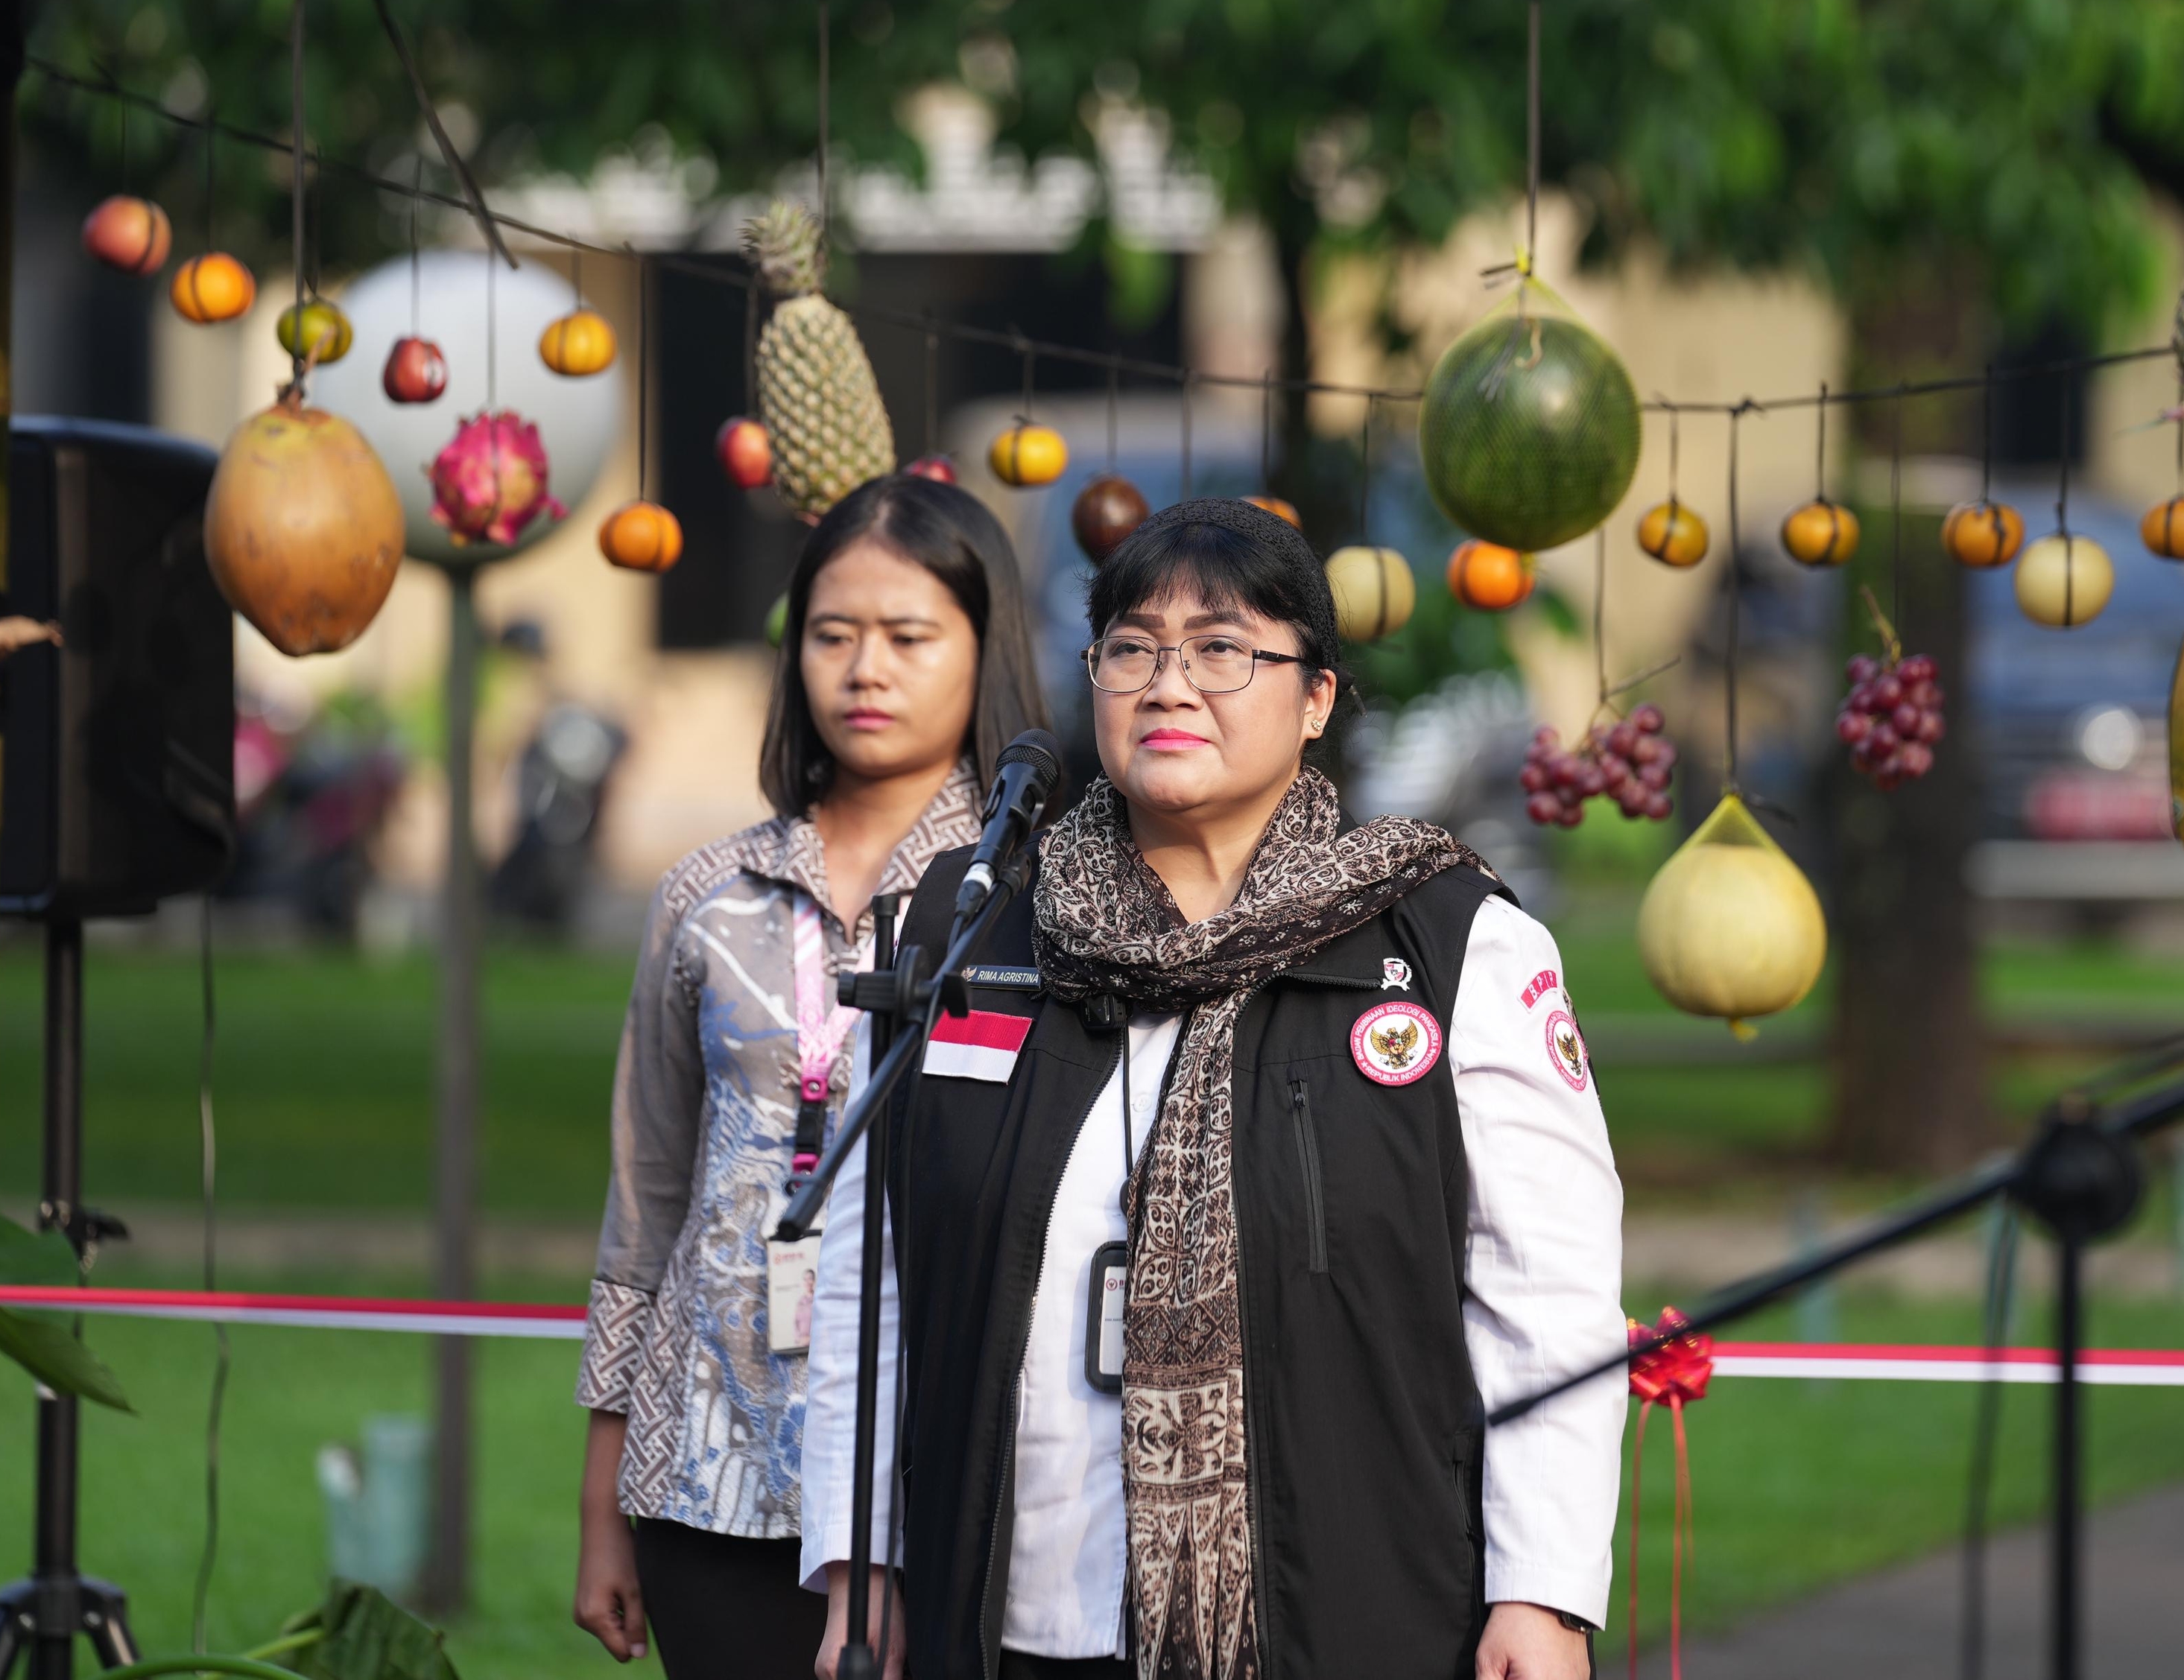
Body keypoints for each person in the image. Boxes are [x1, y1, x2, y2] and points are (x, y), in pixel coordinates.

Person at [805, 497, 1627, 1680]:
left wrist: (1543, 1596)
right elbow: (868, 1274)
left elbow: (1545, 1301)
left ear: (1317, 700)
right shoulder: (978, 925)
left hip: (1344, 1613)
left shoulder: (1453, 949)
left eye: (1224, 649)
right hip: (1009, 1612)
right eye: (1132, 648)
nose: (1170, 685)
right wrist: (858, 1565)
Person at [575, 474, 1048, 1677]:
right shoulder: (707, 895)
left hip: (926, 1476)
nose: (864, 670)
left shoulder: (1032, 913)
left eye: (908, 637)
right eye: (832, 637)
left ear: (984, 652)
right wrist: (604, 1504)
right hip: (704, 1473)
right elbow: (644, 1212)